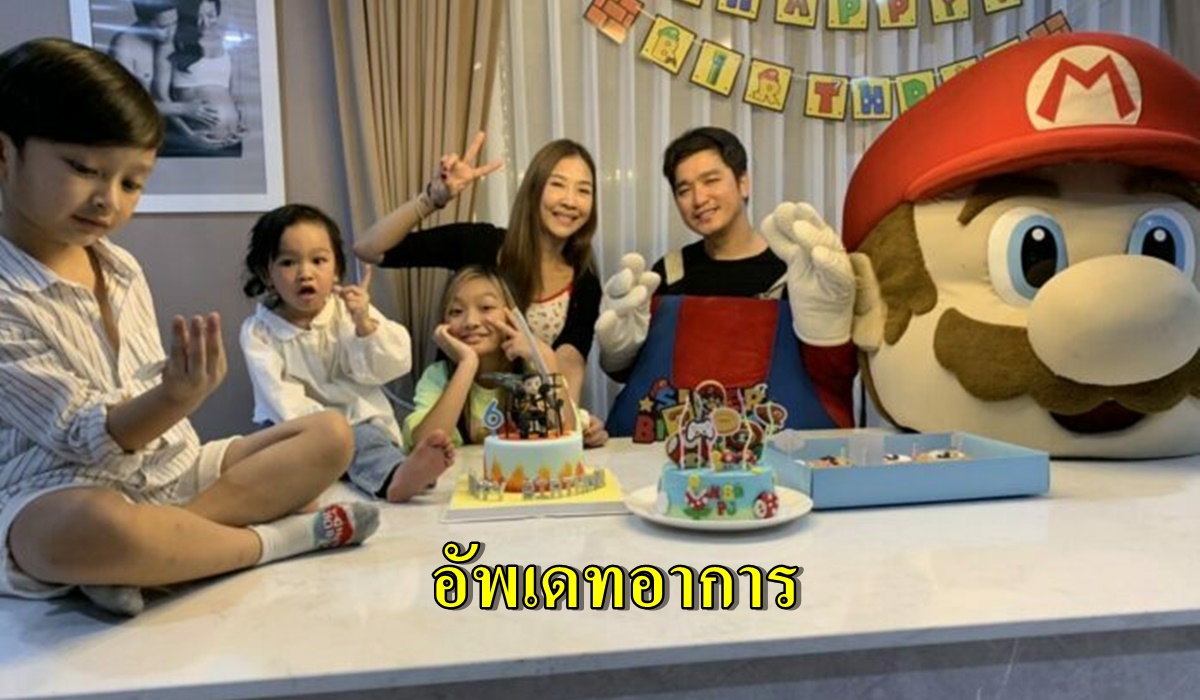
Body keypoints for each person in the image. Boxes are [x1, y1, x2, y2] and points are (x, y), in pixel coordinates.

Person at [0, 38, 377, 617]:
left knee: (331, 435)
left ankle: (158, 552)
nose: (108, 201)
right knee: (79, 528)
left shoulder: (121, 268)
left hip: (167, 474)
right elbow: (79, 433)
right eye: (83, 170)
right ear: (5, 155)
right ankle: (279, 540)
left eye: (132, 183)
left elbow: (151, 404)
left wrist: (175, 396)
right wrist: (176, 396)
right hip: (56, 490)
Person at [595, 126, 855, 437]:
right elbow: (640, 379)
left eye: (711, 180)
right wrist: (616, 355)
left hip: (779, 451)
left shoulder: (795, 271)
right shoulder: (668, 272)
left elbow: (834, 376)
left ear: (743, 183)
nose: (699, 198)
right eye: (684, 190)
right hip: (684, 451)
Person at [353, 133, 608, 447]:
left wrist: (572, 426)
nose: (570, 200)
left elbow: (568, 363)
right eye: (558, 184)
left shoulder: (584, 282)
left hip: (522, 427)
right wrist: (432, 198)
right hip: (456, 421)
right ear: (533, 190)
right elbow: (368, 249)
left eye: (584, 190)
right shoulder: (480, 244)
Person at [239, 204, 455, 502]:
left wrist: (364, 324)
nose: (305, 273)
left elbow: (394, 364)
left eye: (318, 260)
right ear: (266, 273)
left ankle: (400, 476)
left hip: (355, 422)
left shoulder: (348, 312)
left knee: (368, 442)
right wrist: (327, 432)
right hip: (293, 428)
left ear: (336, 270)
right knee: (264, 456)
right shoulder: (259, 332)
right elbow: (278, 398)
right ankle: (292, 493)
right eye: (288, 262)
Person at [404, 266, 581, 448]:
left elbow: (567, 436)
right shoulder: (438, 376)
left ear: (511, 317)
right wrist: (467, 364)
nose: (470, 322)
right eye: (456, 311)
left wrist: (547, 359)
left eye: (486, 307)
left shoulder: (532, 373)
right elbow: (425, 444)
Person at [108, 0, 225, 146]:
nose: (170, 32)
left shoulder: (172, 38)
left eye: (174, 23)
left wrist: (190, 133)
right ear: (143, 23)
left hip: (177, 126)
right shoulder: (124, 47)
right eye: (162, 27)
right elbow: (128, 106)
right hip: (141, 135)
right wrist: (185, 109)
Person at [165, 0, 244, 155]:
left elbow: (234, 94)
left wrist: (241, 125)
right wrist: (189, 135)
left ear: (218, 14)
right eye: (197, 17)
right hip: (193, 142)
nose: (205, 23)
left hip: (232, 143)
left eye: (210, 15)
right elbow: (160, 98)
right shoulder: (173, 45)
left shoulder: (228, 44)